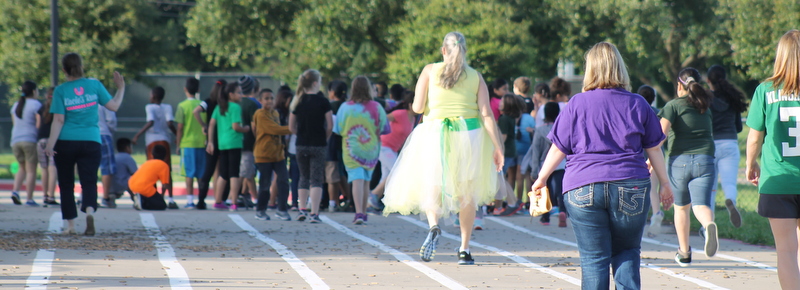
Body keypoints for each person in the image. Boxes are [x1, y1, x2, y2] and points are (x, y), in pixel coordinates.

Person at [532, 42, 672, 289]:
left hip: (582, 185)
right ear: (620, 68)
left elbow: (558, 147)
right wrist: (664, 183)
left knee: (594, 259)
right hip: (630, 184)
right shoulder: (638, 103)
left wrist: (542, 178)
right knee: (627, 252)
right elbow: (654, 148)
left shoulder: (576, 104)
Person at [382, 31, 505, 265]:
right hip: (469, 135)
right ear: (465, 50)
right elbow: (486, 114)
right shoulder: (475, 76)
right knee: (468, 192)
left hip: (434, 132)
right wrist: (497, 147)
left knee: (433, 183)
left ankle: (434, 225)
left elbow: (417, 108)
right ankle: (464, 249)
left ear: (443, 50)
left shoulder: (430, 70)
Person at [45, 52, 126, 236]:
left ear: (64, 69)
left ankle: (71, 226)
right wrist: (120, 88)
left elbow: (58, 120)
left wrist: (50, 145)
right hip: (91, 141)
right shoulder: (94, 85)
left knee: (66, 184)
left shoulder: (60, 90)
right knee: (89, 181)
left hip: (66, 142)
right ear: (81, 66)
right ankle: (89, 213)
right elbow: (114, 106)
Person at [746, 29, 800, 290]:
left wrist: (750, 164)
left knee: (787, 251)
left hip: (778, 181)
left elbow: (754, 138)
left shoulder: (765, 90)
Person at [660, 67, 719, 266]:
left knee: (682, 208)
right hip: (705, 160)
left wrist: (650, 160)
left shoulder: (673, 105)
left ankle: (684, 253)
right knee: (701, 205)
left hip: (679, 162)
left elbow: (661, 135)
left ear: (679, 84)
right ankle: (708, 224)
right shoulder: (705, 106)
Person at [334, 76, 390, 224]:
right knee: (366, 180)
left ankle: (359, 212)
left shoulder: (345, 107)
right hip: (371, 149)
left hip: (351, 149)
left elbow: (338, 129)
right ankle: (363, 212)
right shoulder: (377, 107)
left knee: (356, 180)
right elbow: (385, 128)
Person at [289, 69, 333, 223]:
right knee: (316, 179)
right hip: (318, 143)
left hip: (301, 143)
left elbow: (291, 126)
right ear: (315, 83)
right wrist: (324, 137)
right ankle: (314, 213)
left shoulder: (298, 100)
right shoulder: (323, 101)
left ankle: (301, 209)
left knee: (303, 177)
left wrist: (300, 134)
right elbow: (330, 125)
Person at [707, 64, 747, 228]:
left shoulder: (706, 99)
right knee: (729, 183)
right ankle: (730, 199)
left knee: (710, 186)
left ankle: (708, 223)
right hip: (730, 144)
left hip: (711, 146)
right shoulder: (732, 99)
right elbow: (738, 127)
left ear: (709, 81)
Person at [132, 86, 177, 209]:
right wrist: (177, 135)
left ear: (153, 96)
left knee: (152, 171)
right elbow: (169, 123)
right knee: (166, 171)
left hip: (152, 141)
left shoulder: (149, 107)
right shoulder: (168, 107)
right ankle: (171, 199)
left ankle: (152, 196)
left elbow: (150, 122)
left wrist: (137, 135)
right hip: (165, 140)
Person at [207, 82, 250, 211]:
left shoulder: (220, 107)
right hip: (234, 142)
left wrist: (210, 141)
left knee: (223, 173)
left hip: (222, 143)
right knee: (234, 173)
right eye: (239, 92)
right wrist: (246, 129)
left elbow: (211, 124)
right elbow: (235, 126)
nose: (241, 95)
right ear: (231, 94)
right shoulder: (235, 108)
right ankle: (234, 202)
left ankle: (218, 200)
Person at [371, 90, 415, 210]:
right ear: (411, 104)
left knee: (387, 176)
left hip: (392, 149)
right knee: (397, 172)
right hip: (384, 146)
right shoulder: (400, 113)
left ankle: (372, 202)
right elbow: (382, 120)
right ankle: (374, 195)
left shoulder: (413, 119)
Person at [523, 102, 567, 226]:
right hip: (561, 162)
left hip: (544, 164)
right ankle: (563, 211)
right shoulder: (561, 128)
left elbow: (535, 151)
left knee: (545, 190)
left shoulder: (539, 130)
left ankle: (545, 217)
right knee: (560, 190)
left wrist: (534, 170)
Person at [253, 89, 293, 221]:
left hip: (278, 154)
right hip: (263, 154)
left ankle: (282, 209)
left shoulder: (275, 113)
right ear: (260, 101)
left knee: (283, 180)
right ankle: (260, 209)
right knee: (265, 184)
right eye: (266, 98)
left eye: (271, 98)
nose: (269, 101)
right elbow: (274, 129)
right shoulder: (260, 114)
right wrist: (293, 128)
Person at [638, 85, 665, 236]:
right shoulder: (658, 114)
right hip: (657, 154)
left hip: (641, 155)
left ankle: (640, 218)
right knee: (653, 188)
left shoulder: (636, 112)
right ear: (654, 99)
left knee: (640, 190)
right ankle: (656, 213)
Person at [194, 79, 226, 209]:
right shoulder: (225, 103)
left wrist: (203, 125)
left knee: (208, 171)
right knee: (222, 171)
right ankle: (221, 199)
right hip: (224, 139)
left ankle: (201, 200)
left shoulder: (208, 101)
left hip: (210, 140)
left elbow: (195, 111)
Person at [10, 81, 42, 207]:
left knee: (21, 167)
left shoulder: (16, 105)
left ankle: (15, 191)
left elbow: (14, 123)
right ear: (34, 91)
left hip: (15, 140)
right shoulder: (36, 105)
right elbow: (38, 124)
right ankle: (29, 198)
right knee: (31, 170)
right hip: (29, 140)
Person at [174, 77, 205, 208]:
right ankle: (201, 200)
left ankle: (190, 200)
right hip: (202, 143)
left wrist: (178, 143)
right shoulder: (203, 105)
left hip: (187, 143)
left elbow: (180, 127)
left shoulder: (182, 106)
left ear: (185, 89)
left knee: (189, 173)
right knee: (201, 173)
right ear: (198, 89)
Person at [493, 94, 523, 216]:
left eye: (503, 101)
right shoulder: (509, 117)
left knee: (500, 178)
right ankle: (500, 206)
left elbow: (503, 137)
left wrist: (496, 150)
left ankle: (512, 203)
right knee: (500, 178)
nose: (500, 103)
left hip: (506, 151)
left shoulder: (504, 118)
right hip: (510, 151)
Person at [236, 75, 260, 209]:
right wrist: (258, 140)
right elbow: (254, 125)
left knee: (244, 170)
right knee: (248, 171)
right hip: (248, 142)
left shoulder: (235, 103)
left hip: (235, 142)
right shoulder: (252, 104)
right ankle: (254, 198)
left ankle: (243, 194)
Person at [325, 80, 349, 212]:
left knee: (333, 175)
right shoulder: (348, 106)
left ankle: (333, 203)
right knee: (342, 173)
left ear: (332, 92)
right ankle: (350, 199)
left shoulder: (330, 106)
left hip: (332, 143)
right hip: (348, 142)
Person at [513, 77, 536, 207]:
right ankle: (529, 202)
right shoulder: (531, 104)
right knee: (527, 175)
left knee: (517, 175)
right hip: (528, 144)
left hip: (517, 144)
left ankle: (517, 201)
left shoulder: (515, 101)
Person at [129, 145, 171, 211]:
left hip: (132, 184)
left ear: (152, 154)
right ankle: (143, 202)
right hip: (144, 187)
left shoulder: (148, 162)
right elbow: (164, 185)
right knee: (162, 206)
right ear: (166, 156)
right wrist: (161, 196)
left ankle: (140, 198)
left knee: (153, 196)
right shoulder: (164, 165)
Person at [37, 87, 59, 207]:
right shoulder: (58, 108)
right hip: (52, 141)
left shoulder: (41, 108)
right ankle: (51, 196)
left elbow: (38, 125)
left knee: (44, 169)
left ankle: (44, 195)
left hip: (40, 140)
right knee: (52, 169)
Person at [98, 103, 117, 208]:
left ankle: (86, 197)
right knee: (106, 168)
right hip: (104, 134)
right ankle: (106, 197)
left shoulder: (85, 98)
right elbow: (111, 120)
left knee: (88, 167)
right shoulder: (105, 101)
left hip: (88, 135)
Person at [111, 138, 138, 206]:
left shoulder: (114, 157)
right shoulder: (128, 158)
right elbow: (135, 173)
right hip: (124, 184)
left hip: (111, 185)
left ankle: (110, 196)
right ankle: (135, 197)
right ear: (127, 148)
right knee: (133, 178)